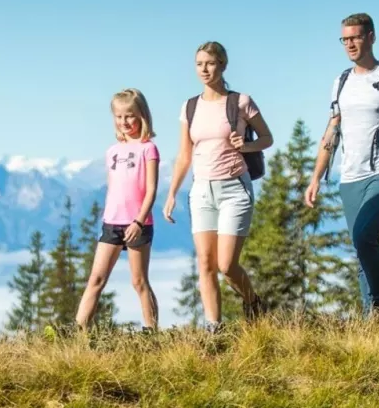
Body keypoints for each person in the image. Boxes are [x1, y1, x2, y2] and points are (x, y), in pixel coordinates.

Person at [305, 13, 379, 313]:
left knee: (363, 236)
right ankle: (370, 322)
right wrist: (316, 177)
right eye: (345, 39)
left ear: (371, 37)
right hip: (350, 177)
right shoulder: (341, 81)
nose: (350, 44)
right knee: (363, 249)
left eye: (355, 37)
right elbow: (332, 130)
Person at [162, 41, 273, 328]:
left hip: (234, 189)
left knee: (226, 266)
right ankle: (215, 329)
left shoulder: (240, 102)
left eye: (210, 63)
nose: (204, 69)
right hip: (201, 190)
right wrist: (172, 193)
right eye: (199, 64)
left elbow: (267, 139)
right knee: (206, 264)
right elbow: (184, 155)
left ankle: (252, 302)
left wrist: (245, 146)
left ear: (223, 65)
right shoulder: (189, 107)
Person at [77, 88, 160, 330]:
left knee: (139, 281)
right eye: (119, 116)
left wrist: (139, 221)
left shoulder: (148, 148)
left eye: (130, 116)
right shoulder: (112, 151)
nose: (124, 121)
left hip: (138, 224)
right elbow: (114, 189)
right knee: (96, 279)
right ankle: (78, 333)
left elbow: (151, 189)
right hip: (111, 222)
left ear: (142, 115)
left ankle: (151, 333)